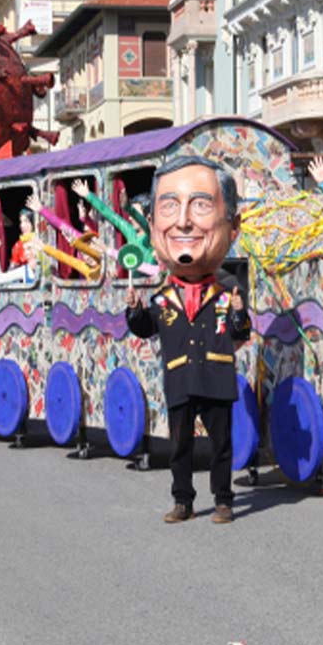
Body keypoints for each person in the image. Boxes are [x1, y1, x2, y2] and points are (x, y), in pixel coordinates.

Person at [125, 155, 252, 525]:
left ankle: (224, 500)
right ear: (152, 226)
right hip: (180, 378)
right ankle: (183, 500)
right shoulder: (163, 295)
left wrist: (240, 314)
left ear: (232, 225)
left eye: (200, 205)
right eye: (169, 206)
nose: (183, 220)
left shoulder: (228, 288)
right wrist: (134, 310)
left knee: (221, 445)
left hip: (216, 376)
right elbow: (146, 327)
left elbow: (241, 333)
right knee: (179, 445)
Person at [0, 210, 41, 287]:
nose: (22, 225)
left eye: (26, 221)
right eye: (21, 222)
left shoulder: (42, 241)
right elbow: (2, 277)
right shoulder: (18, 246)